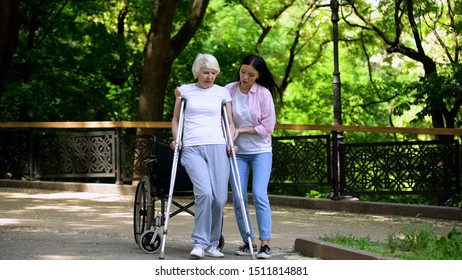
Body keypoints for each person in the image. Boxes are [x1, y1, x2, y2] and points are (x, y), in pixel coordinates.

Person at [171, 53, 234, 259]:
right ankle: (199, 243)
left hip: (217, 146)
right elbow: (176, 119)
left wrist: (231, 141)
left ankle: (213, 244)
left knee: (219, 198)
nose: (209, 77)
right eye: (206, 72)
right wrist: (176, 139)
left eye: (213, 73)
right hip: (192, 147)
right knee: (205, 193)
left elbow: (230, 122)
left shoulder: (222, 92)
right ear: (197, 72)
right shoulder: (185, 91)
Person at [225, 54, 282, 259]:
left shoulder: (263, 94)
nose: (245, 77)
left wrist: (241, 131)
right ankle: (248, 241)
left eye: (250, 74)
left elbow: (268, 127)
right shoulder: (228, 90)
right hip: (237, 153)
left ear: (258, 76)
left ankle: (265, 243)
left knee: (259, 194)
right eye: (242, 72)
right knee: (239, 198)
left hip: (261, 151)